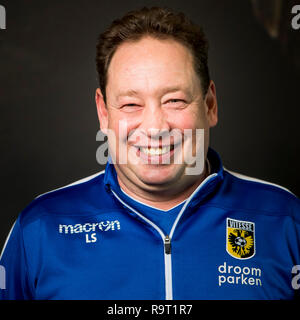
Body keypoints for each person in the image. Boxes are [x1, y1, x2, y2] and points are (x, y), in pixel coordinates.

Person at [0, 6, 299, 300]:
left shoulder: (286, 221)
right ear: (103, 113)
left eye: (175, 100)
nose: (155, 127)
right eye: (131, 104)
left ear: (209, 105)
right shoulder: (40, 230)